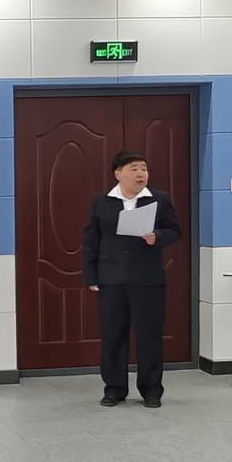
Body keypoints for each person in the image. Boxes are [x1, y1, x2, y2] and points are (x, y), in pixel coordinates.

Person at [81, 150, 183, 410]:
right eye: (134, 169)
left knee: (149, 336)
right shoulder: (102, 201)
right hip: (111, 278)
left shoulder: (159, 199)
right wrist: (90, 275)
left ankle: (151, 390)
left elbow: (175, 230)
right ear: (118, 173)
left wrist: (157, 237)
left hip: (147, 278)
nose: (141, 174)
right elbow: (91, 240)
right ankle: (114, 389)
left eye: (144, 169)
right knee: (113, 335)